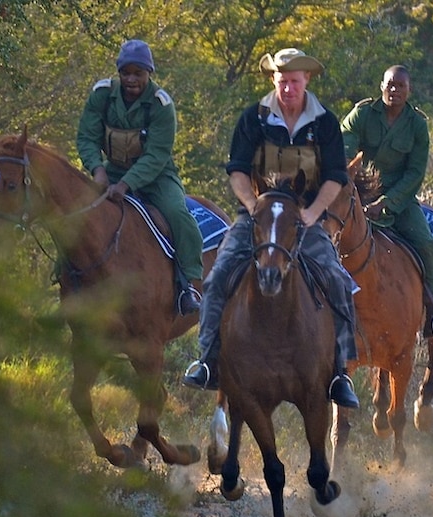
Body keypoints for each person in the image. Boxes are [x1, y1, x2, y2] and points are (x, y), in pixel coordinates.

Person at [182, 48, 360, 409]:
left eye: (294, 82)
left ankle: (339, 372)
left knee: (338, 281)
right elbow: (236, 171)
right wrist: (251, 206)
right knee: (217, 278)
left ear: (306, 80)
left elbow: (336, 177)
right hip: (258, 217)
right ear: (273, 81)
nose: (289, 89)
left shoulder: (324, 123)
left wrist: (313, 213)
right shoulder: (254, 119)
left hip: (304, 221)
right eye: (283, 82)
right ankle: (209, 360)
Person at [76, 39, 203, 315]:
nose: (131, 79)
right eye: (126, 73)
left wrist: (126, 185)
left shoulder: (160, 105)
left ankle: (188, 284)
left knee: (179, 215)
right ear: (118, 73)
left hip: (156, 176)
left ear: (149, 73)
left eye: (138, 73)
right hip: (111, 170)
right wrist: (97, 170)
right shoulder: (102, 95)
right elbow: (86, 136)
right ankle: (68, 280)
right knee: (75, 212)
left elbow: (156, 154)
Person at [340, 65, 433, 338]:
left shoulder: (417, 125)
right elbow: (344, 142)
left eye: (400, 86)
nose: (394, 90)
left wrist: (387, 202)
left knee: (427, 244)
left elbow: (415, 173)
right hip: (358, 193)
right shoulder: (363, 114)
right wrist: (349, 173)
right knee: (325, 233)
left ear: (409, 90)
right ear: (381, 86)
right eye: (390, 85)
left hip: (399, 200)